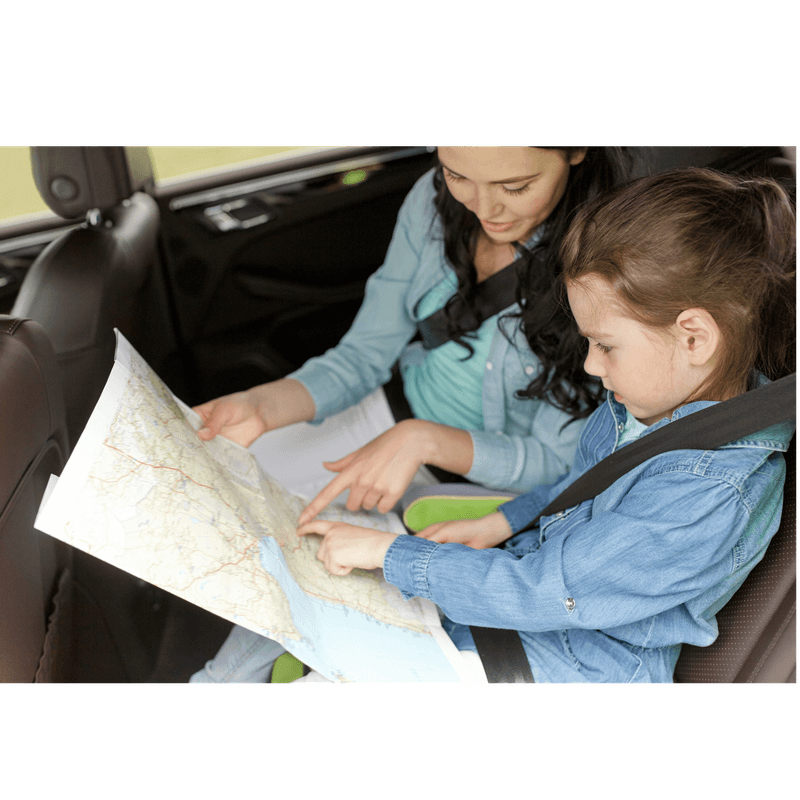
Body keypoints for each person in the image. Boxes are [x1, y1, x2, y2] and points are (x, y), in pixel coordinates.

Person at [297, 167, 797, 684]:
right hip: (531, 616)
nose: (590, 366)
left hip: (575, 663)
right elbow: (587, 488)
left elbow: (549, 591)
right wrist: (507, 521)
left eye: (605, 345)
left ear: (693, 338)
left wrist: (395, 554)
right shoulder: (649, 407)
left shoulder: (706, 493)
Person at [189, 146, 634, 683]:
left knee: (300, 556)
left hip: (480, 488)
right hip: (388, 419)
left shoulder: (613, 256)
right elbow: (361, 356)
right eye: (457, 175)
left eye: (515, 187)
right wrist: (263, 406)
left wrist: (425, 441)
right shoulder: (432, 201)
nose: (483, 207)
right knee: (206, 499)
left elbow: (560, 467)